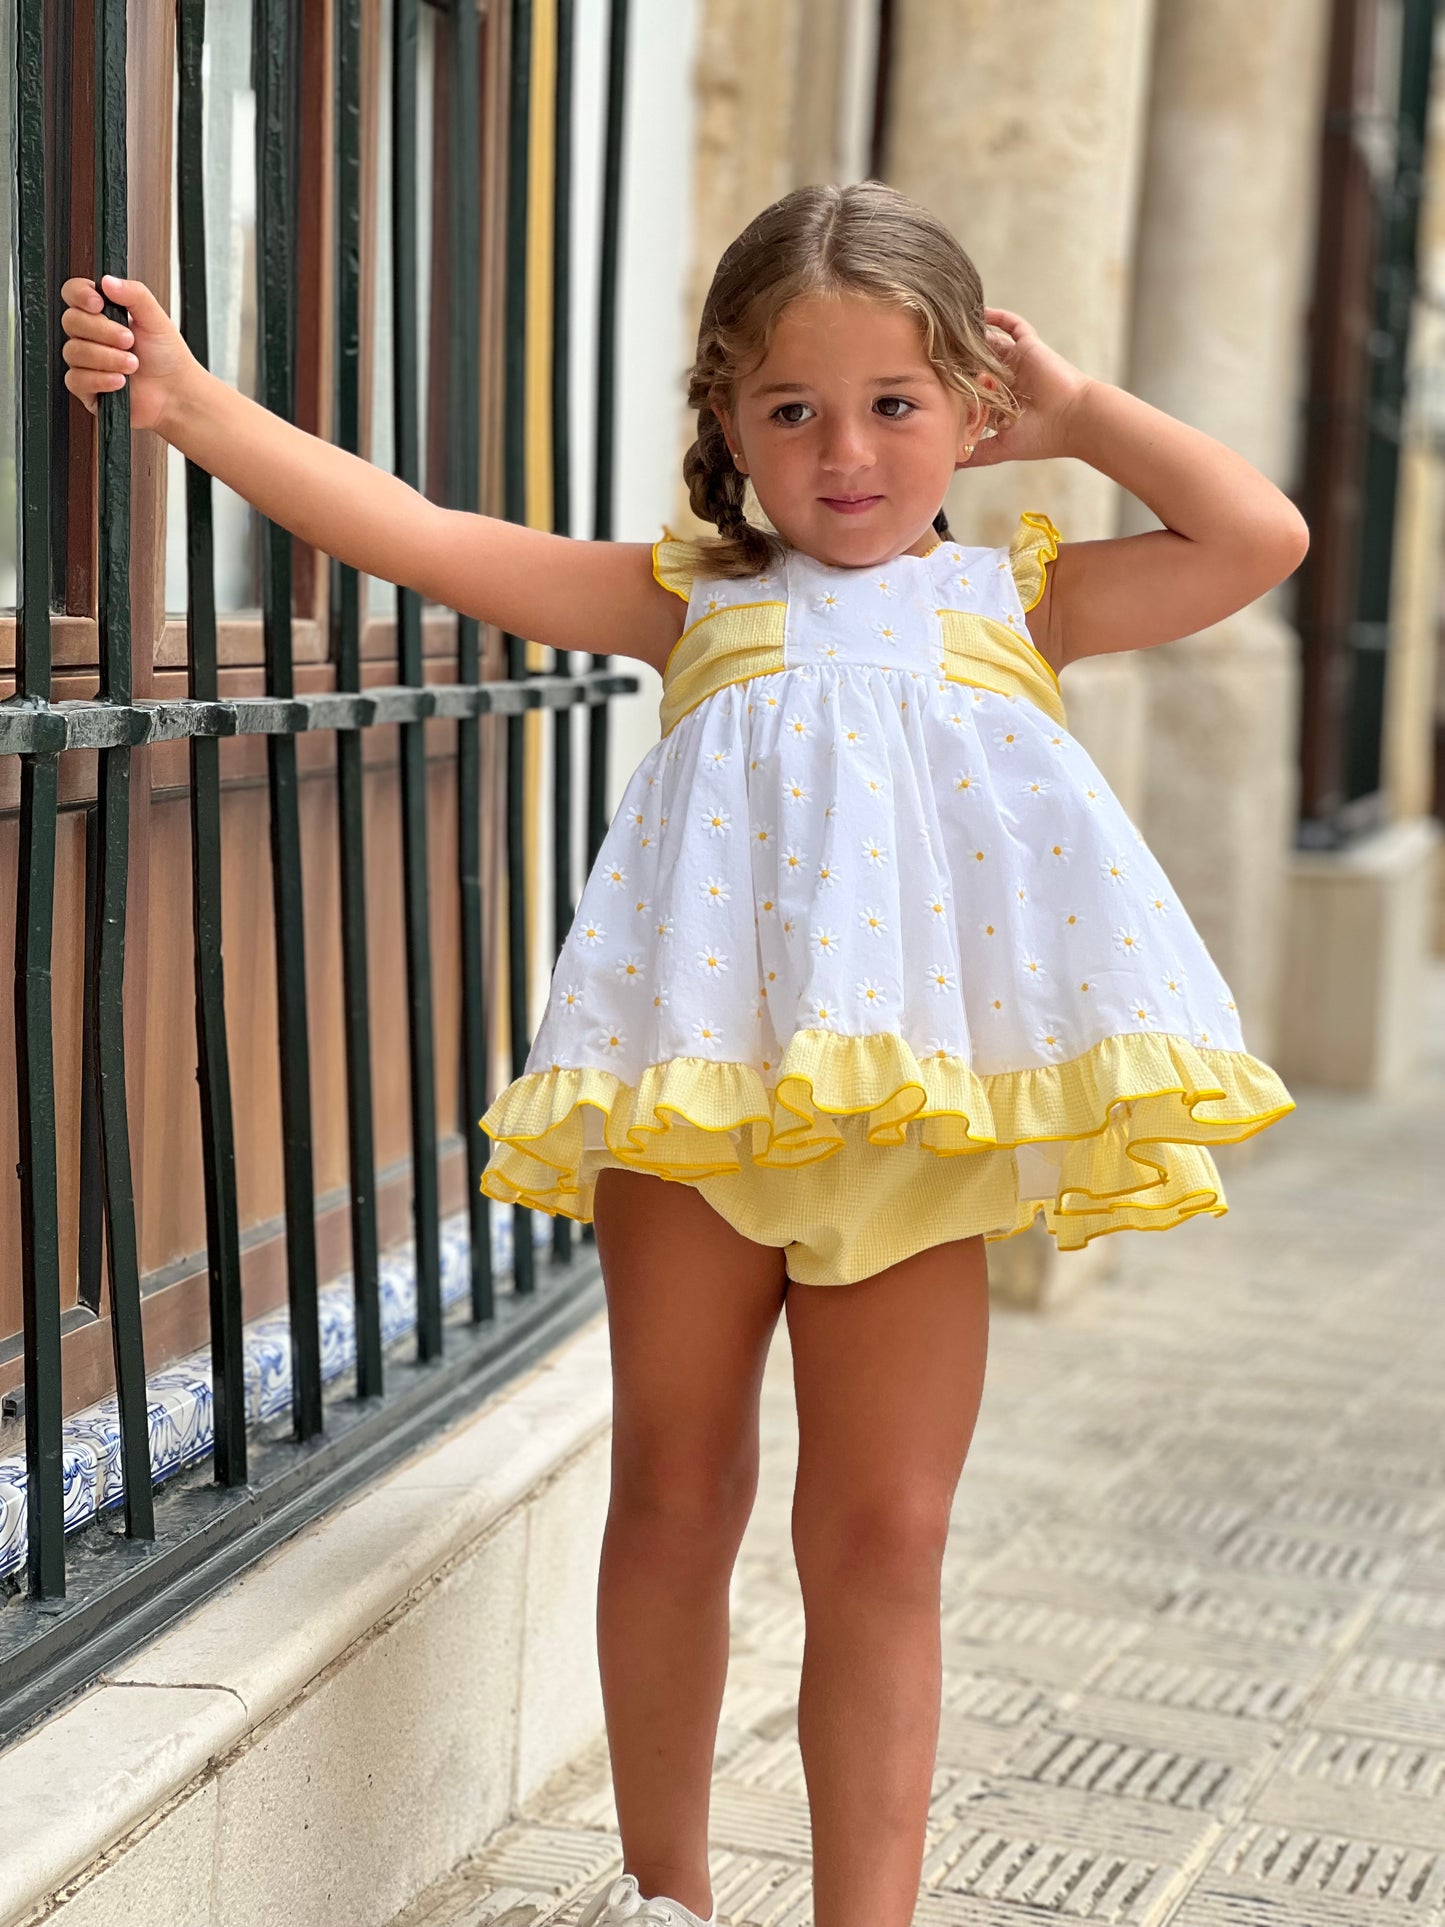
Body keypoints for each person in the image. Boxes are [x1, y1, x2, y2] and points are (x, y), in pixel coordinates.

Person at [61, 179, 1305, 1927]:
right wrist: (193, 407)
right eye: (790, 408)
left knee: (882, 1537)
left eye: (895, 404)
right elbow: (415, 532)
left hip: (914, 1127)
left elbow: (1254, 538)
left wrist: (1088, 415)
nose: (846, 452)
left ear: (971, 411)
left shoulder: (1020, 594)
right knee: (672, 1485)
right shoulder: (689, 591)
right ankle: (666, 1900)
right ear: (725, 416)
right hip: (696, 1102)